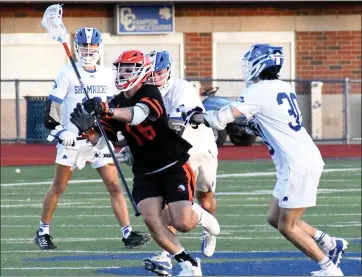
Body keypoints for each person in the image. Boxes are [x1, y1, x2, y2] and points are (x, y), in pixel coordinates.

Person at [184, 44, 348, 276]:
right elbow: (262, 123)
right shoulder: (281, 86)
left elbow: (220, 119)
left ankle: (329, 268)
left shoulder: (259, 90)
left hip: (297, 164)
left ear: (258, 65)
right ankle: (330, 243)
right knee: (274, 218)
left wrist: (196, 116)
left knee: (287, 226)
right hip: (296, 160)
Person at [70, 49, 220, 276]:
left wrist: (108, 110)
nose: (122, 74)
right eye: (120, 69)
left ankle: (200, 216)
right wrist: (90, 130)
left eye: (128, 69)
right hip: (144, 171)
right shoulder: (117, 101)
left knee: (183, 223)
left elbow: (138, 114)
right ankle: (188, 264)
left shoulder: (150, 92)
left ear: (142, 72)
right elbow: (104, 142)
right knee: (152, 219)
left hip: (171, 165)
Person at [34, 27, 150, 250]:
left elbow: (115, 106)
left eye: (92, 45)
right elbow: (52, 108)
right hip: (73, 139)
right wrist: (60, 132)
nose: (88, 50)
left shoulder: (108, 74)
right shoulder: (67, 73)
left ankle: (127, 233)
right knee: (59, 186)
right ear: (77, 47)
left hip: (98, 138)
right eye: (84, 45)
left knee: (115, 186)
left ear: (99, 47)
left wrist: (118, 132)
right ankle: (43, 232)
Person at [133, 50, 218, 276]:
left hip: (199, 146)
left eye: (159, 72)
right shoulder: (142, 93)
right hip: (174, 155)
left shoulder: (182, 89)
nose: (155, 78)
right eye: (151, 74)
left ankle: (207, 225)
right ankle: (166, 254)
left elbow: (185, 120)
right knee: (167, 201)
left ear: (169, 71)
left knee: (206, 194)